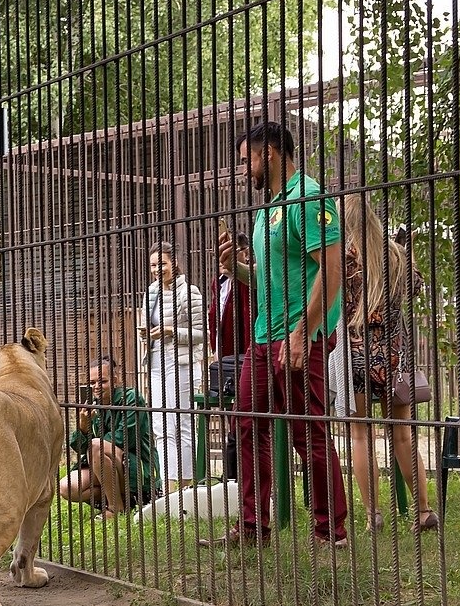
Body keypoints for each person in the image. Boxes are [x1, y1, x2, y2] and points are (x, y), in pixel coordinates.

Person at [201, 121, 349, 548]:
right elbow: (270, 280)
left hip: (301, 337)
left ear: (269, 153)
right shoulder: (268, 210)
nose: (243, 169)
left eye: (247, 159)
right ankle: (252, 527)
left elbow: (332, 269)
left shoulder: (309, 197)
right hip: (263, 340)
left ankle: (330, 532)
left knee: (308, 433)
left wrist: (304, 330)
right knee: (246, 424)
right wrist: (236, 271)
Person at [340, 193, 438, 533]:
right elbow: (417, 287)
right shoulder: (396, 254)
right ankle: (424, 511)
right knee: (403, 434)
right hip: (396, 353)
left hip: (356, 352)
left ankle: (373, 515)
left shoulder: (340, 257)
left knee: (360, 435)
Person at [59, 357, 159, 518]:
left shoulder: (131, 398)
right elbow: (79, 448)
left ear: (114, 380)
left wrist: (94, 444)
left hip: (134, 465)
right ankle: (124, 502)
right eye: (92, 383)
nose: (96, 387)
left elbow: (127, 439)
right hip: (104, 464)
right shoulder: (93, 405)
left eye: (102, 381)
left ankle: (115, 508)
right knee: (67, 488)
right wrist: (83, 426)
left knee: (96, 445)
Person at [144, 241, 205, 493]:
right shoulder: (150, 293)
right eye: (153, 265)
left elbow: (201, 334)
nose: (158, 269)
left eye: (162, 264)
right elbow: (148, 327)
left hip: (181, 362)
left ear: (174, 263)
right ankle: (169, 488)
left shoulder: (189, 292)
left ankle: (186, 486)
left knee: (182, 423)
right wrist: (146, 335)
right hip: (156, 361)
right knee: (160, 423)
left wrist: (171, 331)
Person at [208, 232, 254, 482]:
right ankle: (233, 479)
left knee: (243, 420)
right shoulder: (219, 283)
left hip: (247, 354)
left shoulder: (248, 281)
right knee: (233, 418)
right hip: (224, 358)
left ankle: (240, 478)